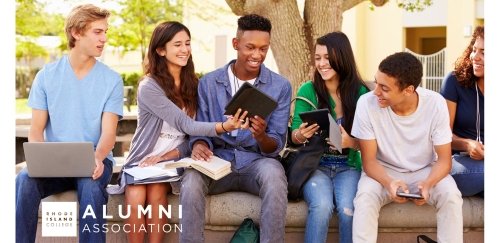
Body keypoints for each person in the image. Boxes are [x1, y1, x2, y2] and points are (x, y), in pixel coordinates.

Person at [106, 21, 248, 243]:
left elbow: (189, 138)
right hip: (142, 160)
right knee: (134, 195)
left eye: (188, 44)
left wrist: (165, 157)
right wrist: (223, 127)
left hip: (174, 160)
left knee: (156, 192)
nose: (185, 50)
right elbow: (186, 124)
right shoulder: (149, 87)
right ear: (161, 50)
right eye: (177, 44)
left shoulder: (194, 84)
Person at [179, 14, 292, 243]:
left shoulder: (280, 86)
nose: (257, 55)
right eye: (250, 47)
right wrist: (200, 144)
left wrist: (261, 136)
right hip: (218, 159)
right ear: (236, 44)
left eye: (263, 49)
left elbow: (276, 145)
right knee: (191, 180)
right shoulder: (209, 83)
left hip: (257, 161)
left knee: (275, 175)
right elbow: (200, 127)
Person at [15, 4, 123, 243]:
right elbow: (36, 130)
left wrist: (98, 156)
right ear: (76, 32)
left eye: (105, 32)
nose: (104, 38)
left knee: (91, 186)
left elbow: (108, 134)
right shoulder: (46, 76)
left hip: (95, 160)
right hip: (54, 163)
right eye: (98, 32)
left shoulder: (111, 80)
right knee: (23, 180)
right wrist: (40, 158)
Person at [351, 52, 463, 242]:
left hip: (426, 170)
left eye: (384, 88)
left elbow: (444, 160)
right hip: (382, 170)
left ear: (408, 90)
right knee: (365, 197)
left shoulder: (435, 104)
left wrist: (427, 184)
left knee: (451, 196)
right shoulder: (366, 103)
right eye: (376, 82)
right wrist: (389, 183)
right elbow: (369, 162)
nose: (376, 91)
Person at [289, 31, 368, 243]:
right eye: (318, 58)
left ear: (341, 58)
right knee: (322, 206)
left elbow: (371, 142)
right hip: (316, 165)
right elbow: (295, 134)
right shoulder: (309, 90)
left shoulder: (360, 93)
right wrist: (300, 134)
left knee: (348, 209)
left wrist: (350, 142)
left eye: (327, 58)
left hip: (348, 166)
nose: (322, 63)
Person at [440, 26, 484, 197]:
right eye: (474, 50)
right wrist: (467, 144)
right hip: (459, 161)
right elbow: (441, 134)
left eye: (484, 52)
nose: (476, 57)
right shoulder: (454, 81)